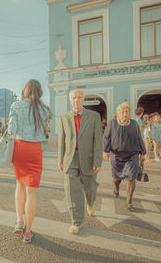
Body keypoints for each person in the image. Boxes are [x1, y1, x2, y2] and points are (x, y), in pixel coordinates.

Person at [9, 79, 51, 244]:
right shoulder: (45, 109)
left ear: (25, 90)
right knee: (31, 191)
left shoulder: (16, 105)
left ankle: (19, 221)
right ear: (39, 91)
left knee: (19, 184)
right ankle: (27, 232)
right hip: (35, 150)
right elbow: (47, 132)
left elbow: (11, 130)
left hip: (19, 147)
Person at [58, 89, 102, 234]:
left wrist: (98, 160)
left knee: (90, 188)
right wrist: (60, 159)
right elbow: (62, 141)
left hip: (88, 158)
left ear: (83, 99)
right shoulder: (64, 117)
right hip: (70, 158)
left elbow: (98, 140)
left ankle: (90, 203)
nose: (76, 100)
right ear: (70, 100)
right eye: (74, 98)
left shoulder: (94, 116)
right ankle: (76, 222)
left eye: (79, 97)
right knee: (72, 191)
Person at [103, 102, 146, 212]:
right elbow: (106, 138)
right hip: (116, 155)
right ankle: (116, 188)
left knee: (131, 178)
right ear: (118, 113)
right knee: (116, 179)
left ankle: (129, 201)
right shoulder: (112, 123)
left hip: (132, 154)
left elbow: (139, 138)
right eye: (122, 112)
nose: (125, 113)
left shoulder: (134, 124)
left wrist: (143, 152)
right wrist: (105, 151)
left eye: (127, 111)